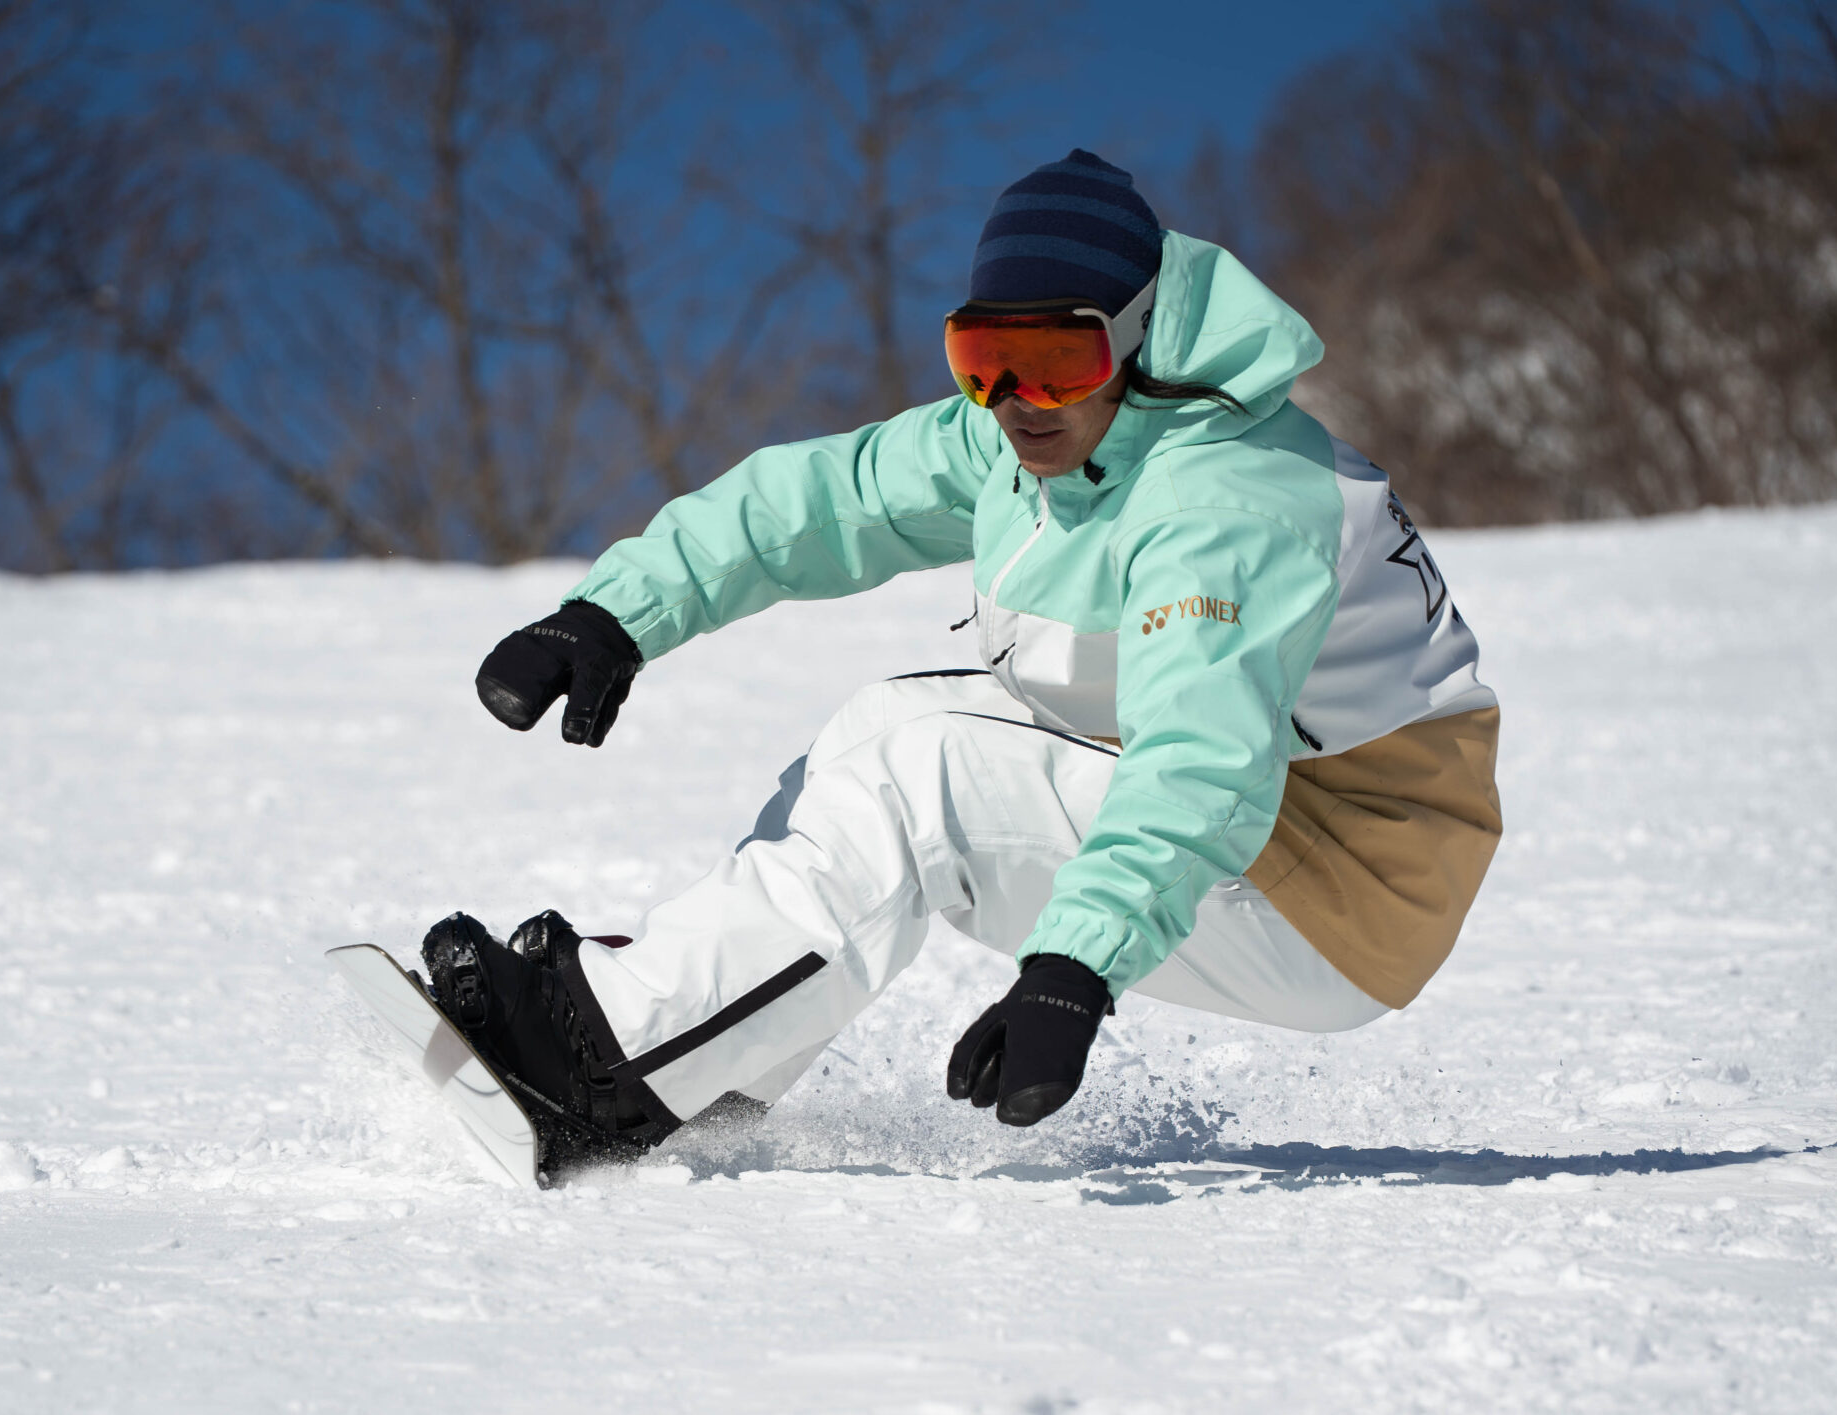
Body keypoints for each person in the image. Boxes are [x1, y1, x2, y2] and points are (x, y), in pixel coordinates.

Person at [428, 150, 1502, 1162]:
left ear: (1138, 337)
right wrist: (615, 613)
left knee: (923, 768)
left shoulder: (1223, 505)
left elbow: (1200, 762)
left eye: (1053, 360)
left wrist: (1074, 967)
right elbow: (820, 500)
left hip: (1345, 876)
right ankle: (697, 1060)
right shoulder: (1027, 440)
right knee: (884, 726)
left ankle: (605, 1066)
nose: (1012, 400)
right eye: (984, 359)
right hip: (1254, 835)